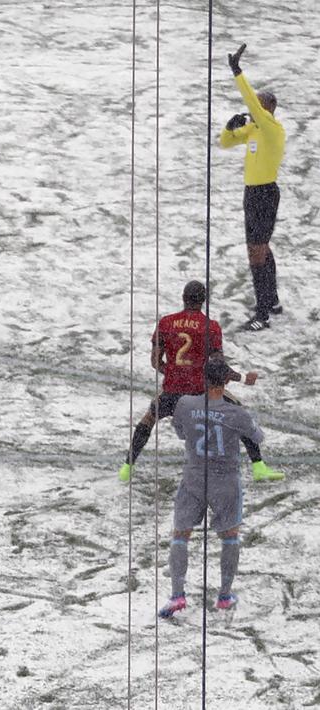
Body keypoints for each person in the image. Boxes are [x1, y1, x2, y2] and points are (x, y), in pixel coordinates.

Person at [118, 281, 283, 483]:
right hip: (200, 391)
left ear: (183, 298)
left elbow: (155, 361)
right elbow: (218, 366)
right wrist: (242, 378)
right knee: (239, 414)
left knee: (148, 420)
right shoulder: (211, 327)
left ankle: (127, 467)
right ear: (203, 300)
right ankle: (259, 467)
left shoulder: (166, 323)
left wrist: (172, 371)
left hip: (173, 390)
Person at [158, 357, 264, 617]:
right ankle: (225, 596)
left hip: (193, 477)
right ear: (227, 379)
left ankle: (176, 596)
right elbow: (258, 437)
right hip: (225, 481)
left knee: (180, 534)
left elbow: (182, 433)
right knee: (229, 536)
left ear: (203, 378)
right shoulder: (236, 413)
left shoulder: (184, 404)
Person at [219, 43, 286, 332]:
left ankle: (262, 313)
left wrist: (237, 72)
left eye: (259, 103)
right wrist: (229, 126)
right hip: (252, 194)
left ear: (268, 108)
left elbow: (249, 100)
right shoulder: (255, 130)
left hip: (265, 194)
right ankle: (271, 301)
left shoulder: (272, 128)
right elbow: (225, 143)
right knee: (259, 248)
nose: (253, 107)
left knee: (256, 252)